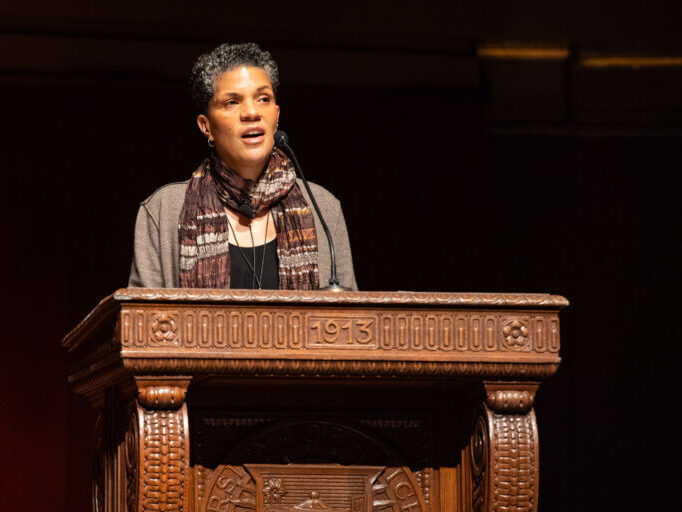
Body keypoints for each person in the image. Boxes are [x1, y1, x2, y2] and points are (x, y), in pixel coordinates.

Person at [128, 43, 356, 290]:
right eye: (232, 102)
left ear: (276, 116)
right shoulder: (164, 211)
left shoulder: (323, 208)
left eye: (263, 99)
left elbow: (350, 319)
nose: (251, 112)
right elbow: (141, 321)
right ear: (206, 126)